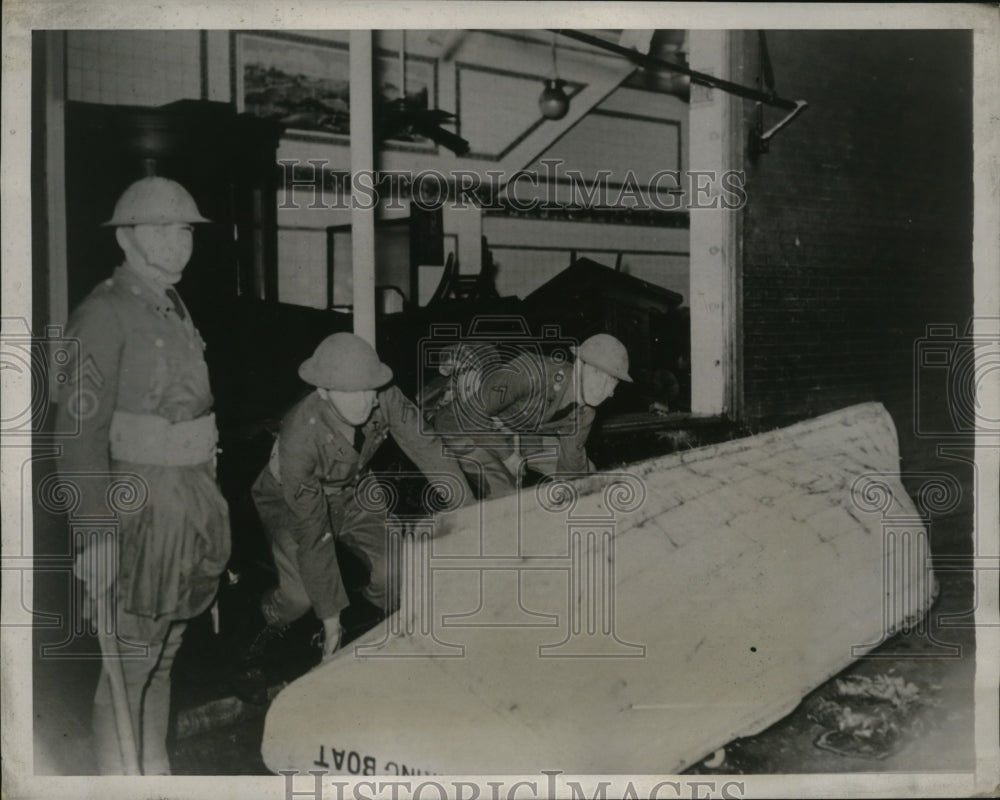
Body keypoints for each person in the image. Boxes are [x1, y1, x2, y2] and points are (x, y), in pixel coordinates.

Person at [54, 176, 231, 774]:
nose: (179, 242)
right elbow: (77, 435)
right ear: (127, 236)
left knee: (164, 652)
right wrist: (96, 537)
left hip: (185, 506)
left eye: (184, 230)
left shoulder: (171, 304)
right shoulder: (104, 311)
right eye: (163, 229)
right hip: (138, 511)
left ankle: (152, 773)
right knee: (129, 663)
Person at [245, 332, 470, 670]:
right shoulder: (299, 434)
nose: (365, 402)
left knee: (396, 570)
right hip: (290, 499)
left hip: (354, 489)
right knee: (301, 597)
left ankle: (382, 631)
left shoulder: (384, 396)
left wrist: (471, 515)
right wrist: (331, 619)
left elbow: (428, 448)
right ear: (322, 391)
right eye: (350, 393)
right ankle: (268, 622)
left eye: (369, 389)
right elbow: (313, 530)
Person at [428, 333, 632, 498]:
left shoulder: (586, 412)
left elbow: (571, 461)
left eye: (612, 380)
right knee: (505, 494)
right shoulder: (532, 373)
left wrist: (575, 495)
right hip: (464, 423)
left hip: (515, 428)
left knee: (587, 478)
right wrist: (508, 455)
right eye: (597, 373)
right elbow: (472, 414)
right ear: (579, 364)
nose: (603, 387)